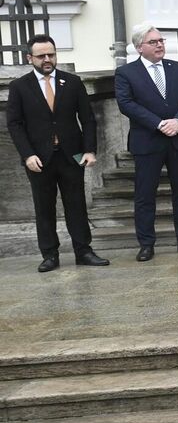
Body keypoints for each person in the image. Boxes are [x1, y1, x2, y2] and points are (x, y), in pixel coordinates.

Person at [6, 34, 109, 272]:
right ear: (30, 58)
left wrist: (90, 150)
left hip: (70, 156)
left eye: (51, 54)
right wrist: (27, 155)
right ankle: (50, 254)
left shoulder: (72, 82)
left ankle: (83, 250)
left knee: (76, 204)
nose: (47, 59)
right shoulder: (19, 87)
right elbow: (14, 124)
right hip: (39, 158)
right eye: (41, 56)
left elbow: (88, 119)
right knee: (44, 207)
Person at [114, 25, 178, 261]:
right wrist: (158, 123)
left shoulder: (177, 68)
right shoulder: (127, 73)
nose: (159, 45)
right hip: (148, 141)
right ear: (139, 47)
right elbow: (126, 104)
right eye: (153, 42)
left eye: (161, 40)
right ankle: (146, 244)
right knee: (145, 195)